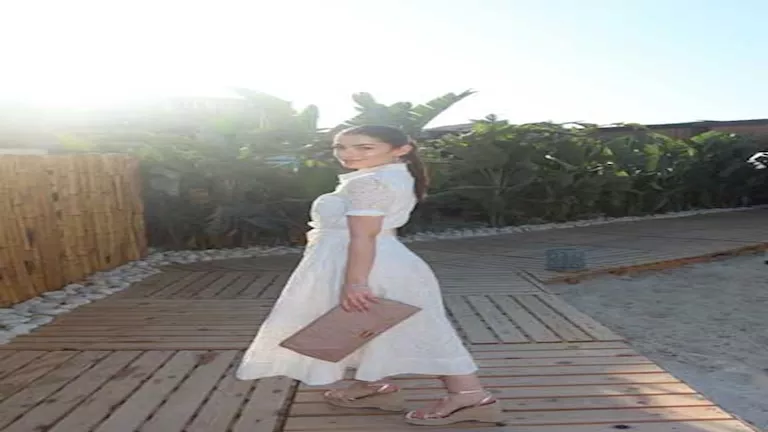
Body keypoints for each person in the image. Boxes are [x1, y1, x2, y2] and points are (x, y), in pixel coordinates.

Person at [236, 125, 504, 426]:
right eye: (341, 147)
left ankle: (469, 396)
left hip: (369, 265)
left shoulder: (371, 182)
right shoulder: (385, 176)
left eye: (364, 147)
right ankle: (372, 387)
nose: (348, 154)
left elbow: (364, 235)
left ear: (401, 149)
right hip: (365, 261)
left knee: (418, 329)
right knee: (362, 325)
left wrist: (356, 282)